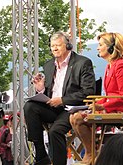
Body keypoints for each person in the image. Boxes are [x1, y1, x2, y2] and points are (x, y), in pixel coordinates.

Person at [23, 31, 96, 165]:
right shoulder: (49, 65)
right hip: (52, 107)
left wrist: (62, 100)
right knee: (29, 107)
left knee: (55, 131)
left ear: (67, 46)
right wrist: (41, 89)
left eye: (58, 45)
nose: (54, 48)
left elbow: (88, 91)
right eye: (52, 46)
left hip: (71, 109)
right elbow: (50, 93)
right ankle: (40, 155)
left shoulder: (82, 63)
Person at [70, 32, 123, 164]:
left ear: (111, 48)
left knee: (79, 118)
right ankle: (92, 151)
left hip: (121, 109)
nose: (98, 48)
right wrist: (96, 103)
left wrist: (102, 106)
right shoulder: (109, 66)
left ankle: (91, 153)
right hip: (112, 106)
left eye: (100, 45)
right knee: (73, 117)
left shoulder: (121, 65)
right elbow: (109, 95)